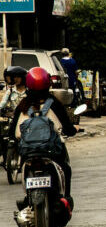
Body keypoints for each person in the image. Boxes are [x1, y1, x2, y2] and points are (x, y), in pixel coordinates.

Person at [10, 67, 77, 210]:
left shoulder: (22, 105)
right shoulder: (54, 103)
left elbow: (13, 132)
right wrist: (72, 131)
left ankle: (28, 199)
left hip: (28, 152)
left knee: (25, 168)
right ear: (48, 84)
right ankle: (66, 198)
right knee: (65, 169)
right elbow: (67, 127)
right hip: (52, 151)